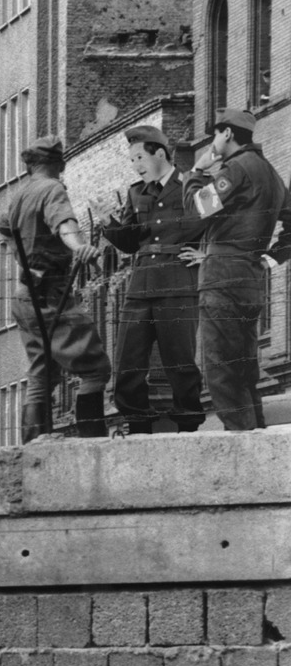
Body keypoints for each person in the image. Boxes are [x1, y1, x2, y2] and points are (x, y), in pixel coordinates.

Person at [182, 108, 291, 430]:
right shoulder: (271, 174)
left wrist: (196, 172)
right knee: (245, 369)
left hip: (222, 276)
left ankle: (240, 440)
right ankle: (255, 441)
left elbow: (197, 209)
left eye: (215, 134)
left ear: (227, 133)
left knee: (221, 368)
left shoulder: (236, 168)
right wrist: (271, 258)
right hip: (251, 276)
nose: (213, 142)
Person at [0, 136, 111, 442]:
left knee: (41, 374)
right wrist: (80, 247)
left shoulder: (20, 195)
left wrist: (23, 254)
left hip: (26, 294)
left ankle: (34, 448)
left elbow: (4, 226)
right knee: (95, 369)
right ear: (58, 163)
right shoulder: (52, 188)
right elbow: (64, 224)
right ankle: (93, 446)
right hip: (50, 295)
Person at [101, 125, 206, 434]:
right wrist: (108, 222)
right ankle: (137, 424)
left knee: (180, 362)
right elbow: (130, 243)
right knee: (128, 361)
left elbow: (226, 223)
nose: (135, 166)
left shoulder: (194, 185)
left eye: (139, 158)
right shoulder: (136, 192)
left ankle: (188, 426)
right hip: (141, 285)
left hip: (179, 282)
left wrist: (209, 255)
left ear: (160, 154)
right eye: (132, 160)